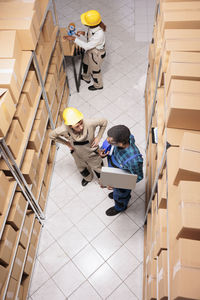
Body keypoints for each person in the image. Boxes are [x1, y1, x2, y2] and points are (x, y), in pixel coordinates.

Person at [49, 107, 107, 186]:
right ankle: (88, 178)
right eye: (77, 126)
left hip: (92, 153)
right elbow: (51, 135)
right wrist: (66, 143)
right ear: (70, 126)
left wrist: (98, 137)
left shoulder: (89, 123)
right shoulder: (64, 129)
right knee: (83, 169)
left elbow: (104, 122)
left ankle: (102, 179)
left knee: (98, 168)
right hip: (78, 155)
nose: (81, 127)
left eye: (81, 123)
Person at [99, 125, 143, 216]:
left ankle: (120, 207)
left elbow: (138, 177)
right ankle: (116, 193)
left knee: (121, 196)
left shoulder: (134, 161)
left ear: (121, 143)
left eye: (111, 141)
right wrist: (103, 152)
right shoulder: (127, 137)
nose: (107, 140)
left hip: (122, 182)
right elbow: (108, 142)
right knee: (116, 193)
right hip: (115, 172)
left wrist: (116, 184)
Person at [65, 10, 106, 91]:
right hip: (91, 51)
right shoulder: (94, 27)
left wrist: (74, 39)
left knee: (95, 71)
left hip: (96, 55)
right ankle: (86, 77)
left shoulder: (99, 34)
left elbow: (87, 46)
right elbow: (91, 37)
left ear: (90, 24)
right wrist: (83, 33)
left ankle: (98, 85)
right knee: (85, 63)